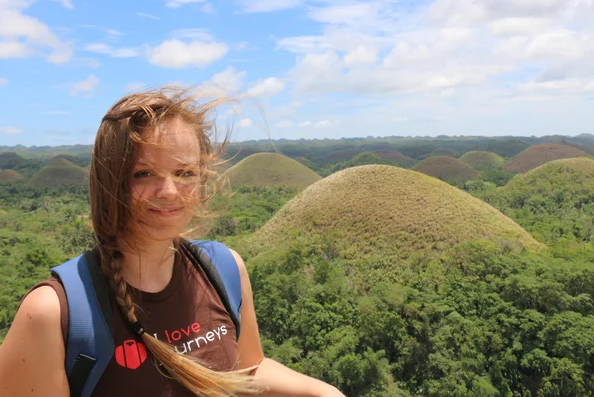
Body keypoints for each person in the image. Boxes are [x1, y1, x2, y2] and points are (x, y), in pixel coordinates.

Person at [0, 89, 345, 397]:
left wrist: (321, 392)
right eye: (143, 173)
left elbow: (249, 370)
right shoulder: (54, 313)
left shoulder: (223, 269)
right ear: (110, 180)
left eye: (185, 173)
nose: (168, 192)